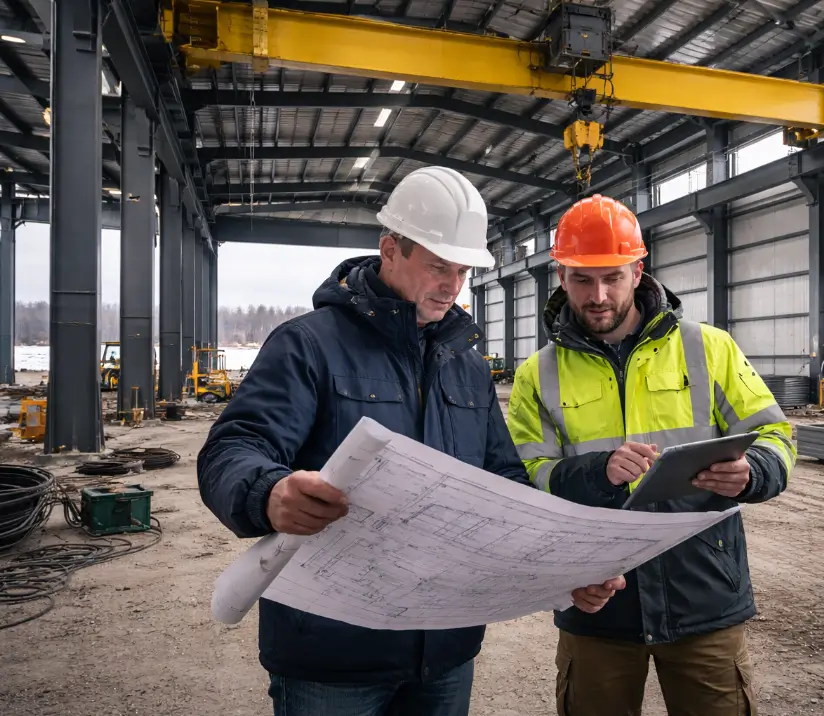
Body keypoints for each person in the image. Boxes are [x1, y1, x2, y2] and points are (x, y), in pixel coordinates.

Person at [197, 167, 625, 716]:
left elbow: (504, 486)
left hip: (445, 646)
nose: (452, 285)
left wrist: (568, 571)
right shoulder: (308, 346)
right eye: (438, 266)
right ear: (390, 250)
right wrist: (270, 492)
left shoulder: (465, 365)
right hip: (331, 652)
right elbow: (232, 448)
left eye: (462, 271)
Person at [506, 194, 797, 716]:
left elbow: (775, 433)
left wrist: (753, 473)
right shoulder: (538, 374)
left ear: (639, 271)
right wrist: (596, 472)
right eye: (582, 280)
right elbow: (526, 476)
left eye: (613, 277)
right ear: (561, 276)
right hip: (597, 602)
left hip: (703, 596)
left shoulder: (709, 349)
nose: (598, 295)